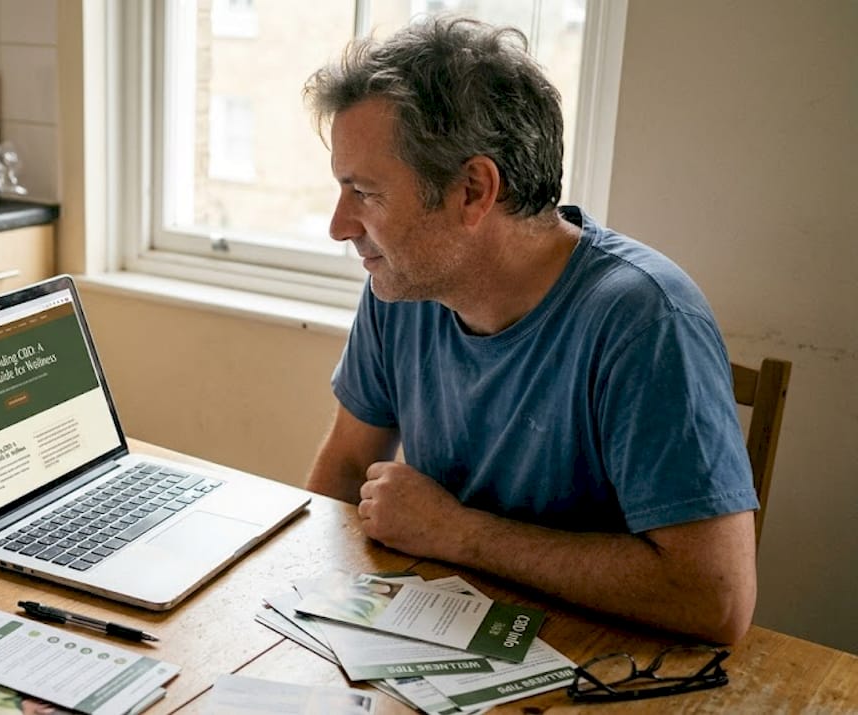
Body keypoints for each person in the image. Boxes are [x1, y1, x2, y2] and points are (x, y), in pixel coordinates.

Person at [302, 17, 758, 644]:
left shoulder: (646, 320)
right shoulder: (402, 286)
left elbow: (715, 599)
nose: (339, 225)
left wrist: (458, 533)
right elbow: (349, 464)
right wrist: (298, 608)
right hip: (433, 640)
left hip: (604, 667)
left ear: (472, 190)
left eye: (364, 192)